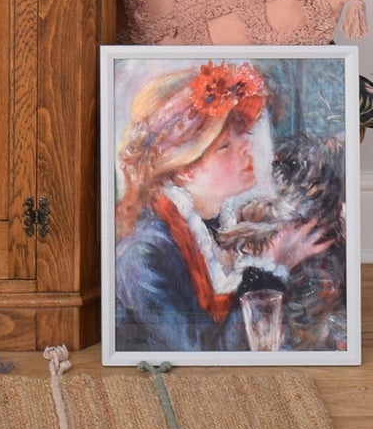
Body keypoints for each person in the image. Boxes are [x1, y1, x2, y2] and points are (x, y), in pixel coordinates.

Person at [113, 60, 328, 353]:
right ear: (184, 169)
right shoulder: (144, 257)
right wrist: (272, 269)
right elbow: (205, 354)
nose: (246, 147)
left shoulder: (225, 231)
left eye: (244, 135)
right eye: (225, 146)